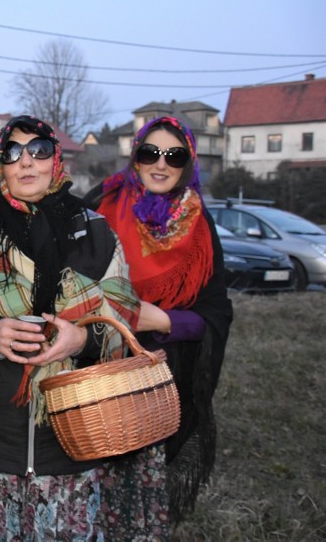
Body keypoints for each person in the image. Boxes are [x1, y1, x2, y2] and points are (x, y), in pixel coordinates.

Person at [0, 115, 140, 540]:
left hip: (70, 445)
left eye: (39, 150)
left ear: (55, 159)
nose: (27, 162)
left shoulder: (95, 232)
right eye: (12, 151)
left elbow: (123, 313)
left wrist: (84, 338)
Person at [90, 116, 233, 527]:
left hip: (159, 391)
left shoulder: (201, 228)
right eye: (150, 152)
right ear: (135, 157)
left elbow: (217, 313)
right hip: (94, 382)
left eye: (174, 155)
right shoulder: (100, 205)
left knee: (138, 515)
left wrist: (165, 320)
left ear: (188, 163)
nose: (161, 163)